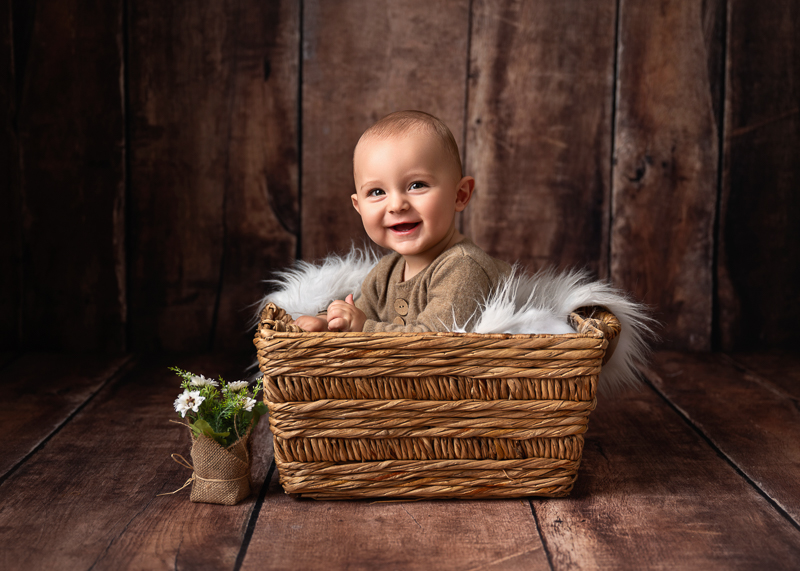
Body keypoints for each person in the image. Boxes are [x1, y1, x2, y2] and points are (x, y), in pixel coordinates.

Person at [295, 110, 511, 333]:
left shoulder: (463, 268)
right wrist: (327, 321)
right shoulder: (385, 273)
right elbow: (358, 313)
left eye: (417, 185)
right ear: (358, 207)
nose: (397, 205)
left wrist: (363, 328)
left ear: (460, 195)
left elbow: (434, 344)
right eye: (377, 191)